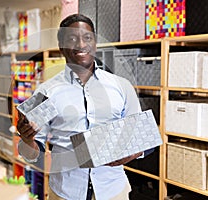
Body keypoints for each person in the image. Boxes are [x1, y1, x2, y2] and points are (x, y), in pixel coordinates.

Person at [17, 14, 146, 200]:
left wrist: (136, 151)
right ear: (61, 47)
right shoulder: (46, 91)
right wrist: (27, 140)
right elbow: (33, 153)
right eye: (72, 38)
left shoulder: (121, 86)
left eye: (87, 38)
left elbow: (139, 134)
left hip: (113, 190)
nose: (81, 44)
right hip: (65, 192)